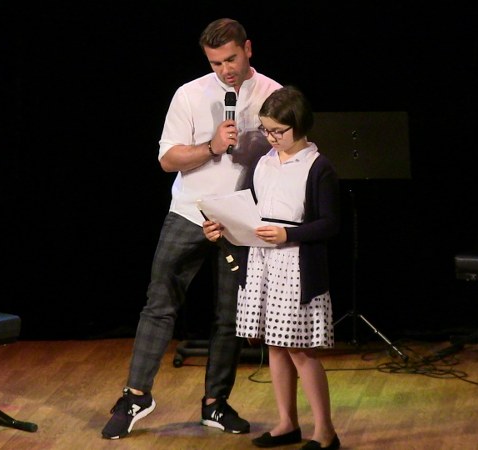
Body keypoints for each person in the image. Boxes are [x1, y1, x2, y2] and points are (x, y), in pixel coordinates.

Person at [101, 18, 282, 440]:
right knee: (159, 304)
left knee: (230, 315)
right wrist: (212, 147)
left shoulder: (273, 94)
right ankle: (136, 396)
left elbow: (286, 157)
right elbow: (168, 160)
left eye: (231, 59)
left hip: (240, 220)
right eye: (216, 63)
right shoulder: (190, 94)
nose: (225, 70)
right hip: (189, 213)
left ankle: (215, 403)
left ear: (248, 49)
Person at [202, 86, 342, 450]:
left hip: (296, 265)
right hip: (263, 261)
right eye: (266, 130)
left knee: (300, 351)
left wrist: (288, 233)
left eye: (278, 131)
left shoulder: (317, 167)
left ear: (299, 126)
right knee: (275, 346)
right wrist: (222, 227)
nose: (271, 137)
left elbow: (330, 224)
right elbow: (247, 210)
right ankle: (286, 423)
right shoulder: (263, 163)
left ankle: (325, 431)